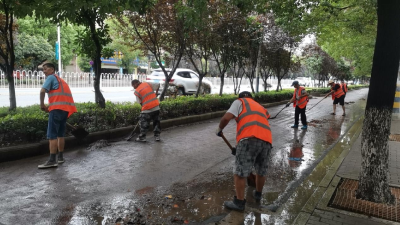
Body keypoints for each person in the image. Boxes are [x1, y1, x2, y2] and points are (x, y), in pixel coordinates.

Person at [216, 91, 273, 211]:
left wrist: (219, 129)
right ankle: (258, 194)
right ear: (251, 98)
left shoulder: (239, 102)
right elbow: (266, 118)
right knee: (261, 170)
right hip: (267, 140)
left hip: (248, 139)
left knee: (239, 172)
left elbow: (226, 118)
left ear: (240, 97)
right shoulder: (260, 106)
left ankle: (239, 202)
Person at [38, 63, 77, 169]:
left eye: (45, 69)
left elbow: (42, 91)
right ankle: (60, 157)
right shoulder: (61, 80)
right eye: (43, 70)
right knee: (60, 135)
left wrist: (42, 104)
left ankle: (52, 160)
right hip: (65, 111)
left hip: (56, 110)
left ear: (52, 70)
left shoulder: (50, 77)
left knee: (52, 135)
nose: (44, 71)